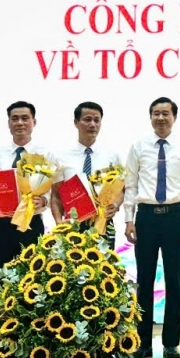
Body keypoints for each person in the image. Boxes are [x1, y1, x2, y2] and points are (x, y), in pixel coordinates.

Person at [123, 97, 180, 358]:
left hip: (175, 218)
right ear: (150, 117)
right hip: (145, 218)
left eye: (165, 113)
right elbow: (130, 185)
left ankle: (171, 343)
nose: (160, 118)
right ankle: (143, 342)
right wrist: (129, 219)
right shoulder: (138, 147)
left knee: (174, 281)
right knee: (144, 282)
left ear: (174, 117)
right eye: (156, 113)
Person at [0, 101, 61, 296]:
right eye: (14, 119)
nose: (20, 123)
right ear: (8, 123)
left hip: (31, 224)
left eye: (25, 118)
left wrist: (44, 201)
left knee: (31, 281)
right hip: (0, 225)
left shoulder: (46, 154)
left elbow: (55, 190)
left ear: (34, 122)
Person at [51, 102, 123, 249]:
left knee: (105, 263)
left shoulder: (112, 156)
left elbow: (121, 190)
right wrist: (58, 222)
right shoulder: (61, 156)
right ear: (76, 122)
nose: (92, 125)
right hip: (72, 224)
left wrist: (115, 205)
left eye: (97, 120)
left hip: (102, 222)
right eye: (87, 119)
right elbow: (56, 195)